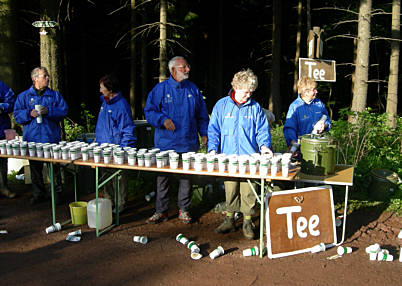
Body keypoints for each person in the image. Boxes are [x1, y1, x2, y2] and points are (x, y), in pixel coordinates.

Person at [208, 69, 273, 240]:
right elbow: (213, 129)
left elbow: (262, 131)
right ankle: (229, 219)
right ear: (236, 87)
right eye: (246, 92)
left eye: (251, 92)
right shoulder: (221, 106)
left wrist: (265, 146)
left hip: (249, 159)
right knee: (230, 189)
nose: (248, 95)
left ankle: (248, 221)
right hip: (228, 158)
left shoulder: (255, 107)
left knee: (249, 191)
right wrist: (213, 149)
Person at [144, 56, 209, 224]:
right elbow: (149, 111)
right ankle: (161, 211)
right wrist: (162, 120)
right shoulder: (160, 90)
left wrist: (204, 133)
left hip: (187, 142)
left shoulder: (193, 90)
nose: (187, 70)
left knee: (186, 178)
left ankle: (184, 210)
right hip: (165, 143)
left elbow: (202, 115)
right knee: (162, 177)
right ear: (173, 70)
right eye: (183, 67)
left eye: (187, 67)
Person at [13, 67, 68, 205]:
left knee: (54, 169)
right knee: (35, 169)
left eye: (48, 75)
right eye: (45, 76)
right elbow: (17, 116)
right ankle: (38, 194)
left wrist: (49, 111)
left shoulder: (54, 96)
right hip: (33, 139)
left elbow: (63, 111)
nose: (48, 78)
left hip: (51, 138)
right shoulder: (24, 96)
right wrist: (28, 114)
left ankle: (56, 194)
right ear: (35, 79)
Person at [94, 74, 137, 213]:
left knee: (118, 178)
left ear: (110, 89)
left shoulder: (121, 105)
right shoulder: (105, 102)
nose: (100, 90)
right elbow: (102, 126)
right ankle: (108, 202)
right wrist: (96, 140)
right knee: (105, 177)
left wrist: (123, 150)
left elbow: (128, 129)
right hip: (102, 148)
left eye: (102, 87)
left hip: (117, 148)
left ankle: (120, 205)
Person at [283, 76, 331, 149]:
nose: (316, 91)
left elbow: (327, 119)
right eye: (314, 90)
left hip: (319, 145)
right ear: (305, 92)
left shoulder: (319, 103)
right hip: (302, 147)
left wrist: (324, 126)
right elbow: (289, 128)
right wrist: (293, 143)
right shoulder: (295, 106)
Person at [0, 80, 17, 199]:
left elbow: (11, 101)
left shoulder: (1, 85)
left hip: (1, 129)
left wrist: (1, 107)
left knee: (1, 160)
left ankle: (3, 187)